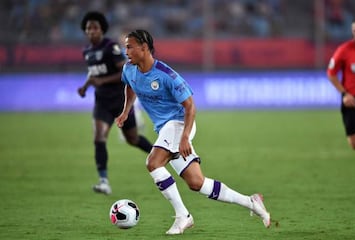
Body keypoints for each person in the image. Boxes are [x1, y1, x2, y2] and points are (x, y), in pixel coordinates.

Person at [115, 29, 271, 235]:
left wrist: (185, 137)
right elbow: (130, 86)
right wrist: (126, 111)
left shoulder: (166, 75)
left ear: (144, 48)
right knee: (197, 183)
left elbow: (190, 107)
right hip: (165, 129)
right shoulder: (129, 69)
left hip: (180, 123)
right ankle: (251, 202)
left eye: (129, 46)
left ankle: (183, 216)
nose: (125, 50)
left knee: (153, 163)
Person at [78, 12, 153, 195]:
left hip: (120, 102)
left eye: (95, 27)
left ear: (102, 29)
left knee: (133, 139)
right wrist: (86, 86)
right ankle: (104, 181)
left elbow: (124, 73)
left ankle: (163, 155)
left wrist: (101, 82)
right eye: (88, 28)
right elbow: (93, 73)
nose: (91, 31)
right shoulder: (87, 51)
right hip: (102, 102)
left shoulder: (111, 48)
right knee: (99, 138)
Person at [327, 16, 355, 150]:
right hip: (351, 99)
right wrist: (345, 94)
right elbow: (331, 73)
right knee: (354, 144)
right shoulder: (344, 50)